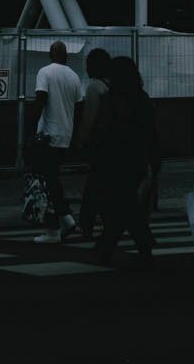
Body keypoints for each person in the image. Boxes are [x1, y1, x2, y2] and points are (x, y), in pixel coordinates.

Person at [90, 55, 161, 268]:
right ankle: (139, 243)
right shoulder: (143, 99)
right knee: (129, 205)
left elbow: (102, 131)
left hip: (114, 160)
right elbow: (151, 132)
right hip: (136, 158)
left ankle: (111, 244)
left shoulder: (110, 100)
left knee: (120, 207)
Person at [31, 39, 83, 243]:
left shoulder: (45, 72)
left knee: (46, 182)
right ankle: (65, 218)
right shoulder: (74, 77)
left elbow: (40, 99)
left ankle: (54, 227)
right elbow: (79, 108)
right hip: (65, 135)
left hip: (47, 135)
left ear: (50, 55)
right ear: (66, 56)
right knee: (52, 178)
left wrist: (29, 131)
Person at [76, 46, 113, 241]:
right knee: (106, 185)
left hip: (100, 143)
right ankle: (108, 223)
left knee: (93, 186)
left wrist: (81, 142)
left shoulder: (94, 88)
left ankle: (86, 224)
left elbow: (88, 119)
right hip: (115, 143)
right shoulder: (112, 85)